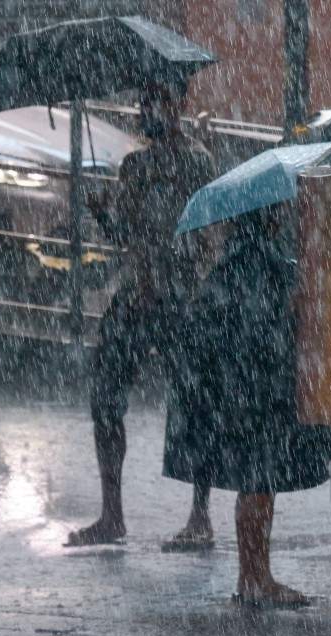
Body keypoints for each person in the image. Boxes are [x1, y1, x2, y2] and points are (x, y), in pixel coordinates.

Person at [66, 78, 216, 549]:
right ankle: (112, 513)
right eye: (142, 102)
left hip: (180, 299)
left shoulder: (196, 161)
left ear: (178, 106)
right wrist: (102, 214)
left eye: (156, 102)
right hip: (137, 298)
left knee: (194, 403)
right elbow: (126, 237)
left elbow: (200, 235)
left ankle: (200, 516)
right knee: (106, 398)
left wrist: (170, 278)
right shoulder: (133, 166)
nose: (145, 111)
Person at [164, 208, 331, 608]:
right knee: (259, 482)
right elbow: (274, 324)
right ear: (272, 220)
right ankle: (255, 577)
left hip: (232, 388)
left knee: (254, 481)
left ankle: (253, 575)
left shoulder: (230, 265)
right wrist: (294, 303)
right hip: (259, 386)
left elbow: (208, 325)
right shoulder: (269, 265)